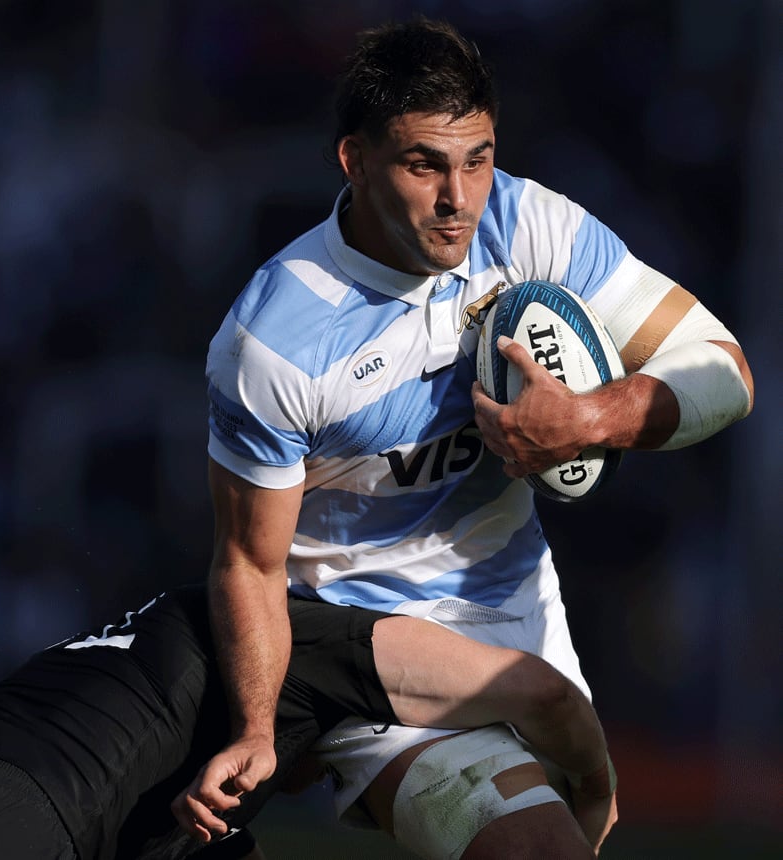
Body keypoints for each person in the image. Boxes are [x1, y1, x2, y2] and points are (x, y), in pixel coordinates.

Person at [190, 15, 754, 860]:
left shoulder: (530, 227)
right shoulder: (275, 340)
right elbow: (249, 561)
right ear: (354, 160)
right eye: (424, 164)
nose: (460, 199)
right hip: (368, 639)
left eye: (478, 158)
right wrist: (263, 728)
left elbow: (726, 371)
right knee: (535, 849)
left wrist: (591, 419)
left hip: (518, 613)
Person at [0, 583, 614, 860]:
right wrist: (597, 791)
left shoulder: (159, 616)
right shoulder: (309, 630)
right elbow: (536, 691)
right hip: (10, 821)